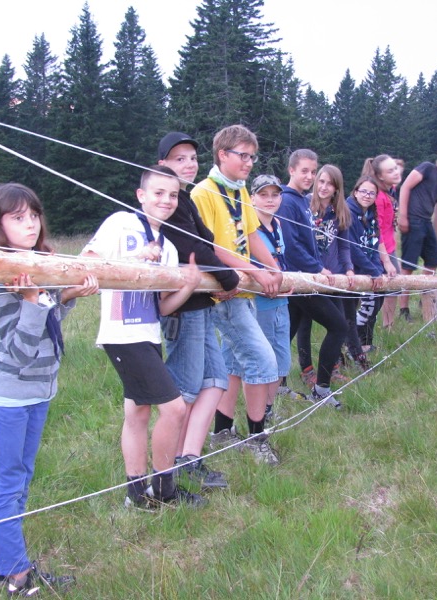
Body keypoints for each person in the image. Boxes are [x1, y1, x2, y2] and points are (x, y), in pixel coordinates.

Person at [0, 183, 98, 596]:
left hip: (39, 393)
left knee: (23, 479)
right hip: (9, 396)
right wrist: (32, 299)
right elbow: (18, 352)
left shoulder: (39, 266)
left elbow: (49, 323)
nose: (29, 224)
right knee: (8, 484)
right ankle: (16, 574)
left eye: (33, 215)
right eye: (17, 218)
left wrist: (68, 294)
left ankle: (8, 561)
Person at [82, 166, 205, 508]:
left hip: (149, 335)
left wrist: (188, 286)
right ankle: (164, 490)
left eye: (173, 195)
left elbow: (162, 307)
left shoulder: (169, 248)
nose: (166, 200)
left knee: (137, 413)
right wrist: (136, 257)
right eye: (158, 193)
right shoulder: (120, 223)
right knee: (175, 409)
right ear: (141, 195)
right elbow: (87, 262)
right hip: (122, 335)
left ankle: (136, 496)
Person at [190, 124, 283, 465]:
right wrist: (255, 272)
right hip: (223, 291)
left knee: (233, 362)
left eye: (252, 157)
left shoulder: (240, 190)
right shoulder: (203, 193)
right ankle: (258, 438)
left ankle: (222, 431)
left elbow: (252, 234)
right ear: (222, 154)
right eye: (242, 155)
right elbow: (209, 246)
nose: (249, 162)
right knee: (261, 359)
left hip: (243, 287)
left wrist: (273, 266)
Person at [156, 132, 240, 491]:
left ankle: (189, 458)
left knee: (216, 380)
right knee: (186, 387)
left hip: (200, 304)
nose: (189, 164)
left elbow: (206, 241)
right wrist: (229, 278)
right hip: (183, 308)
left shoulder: (184, 199)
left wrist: (226, 273)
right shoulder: (169, 204)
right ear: (162, 165)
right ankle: (169, 465)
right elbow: (193, 247)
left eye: (192, 157)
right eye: (179, 159)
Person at [277, 149, 348, 408]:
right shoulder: (287, 201)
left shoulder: (301, 201)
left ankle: (276, 385)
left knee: (287, 332)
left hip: (304, 277)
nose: (309, 176)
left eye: (313, 172)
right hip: (299, 278)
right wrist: (318, 268)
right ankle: (321, 390)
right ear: (291, 170)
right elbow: (291, 246)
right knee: (338, 327)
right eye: (304, 171)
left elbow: (308, 242)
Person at [298, 164, 369, 372]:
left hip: (334, 275)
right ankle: (307, 369)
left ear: (337, 188)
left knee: (340, 322)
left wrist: (348, 269)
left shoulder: (340, 211)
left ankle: (334, 365)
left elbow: (344, 246)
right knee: (304, 322)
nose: (324, 187)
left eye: (330, 184)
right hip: (310, 273)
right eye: (321, 181)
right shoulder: (305, 206)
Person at [397, 145, 437, 320]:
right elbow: (405, 187)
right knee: (408, 266)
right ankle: (403, 309)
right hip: (412, 220)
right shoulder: (427, 168)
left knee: (433, 261)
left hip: (426, 222)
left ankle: (425, 298)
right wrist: (403, 216)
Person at [248, 174, 291, 424]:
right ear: (252, 198)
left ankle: (268, 407)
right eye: (263, 195)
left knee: (282, 360)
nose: (270, 200)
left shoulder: (278, 225)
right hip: (259, 303)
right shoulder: (248, 228)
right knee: (264, 360)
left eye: (275, 195)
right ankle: (259, 413)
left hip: (282, 301)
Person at [346, 176, 396, 352]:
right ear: (355, 192)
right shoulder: (348, 212)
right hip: (351, 268)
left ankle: (364, 343)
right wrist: (372, 271)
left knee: (376, 300)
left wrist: (379, 268)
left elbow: (374, 243)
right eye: (364, 191)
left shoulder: (371, 214)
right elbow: (352, 248)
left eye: (371, 193)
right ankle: (353, 346)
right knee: (354, 309)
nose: (367, 196)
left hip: (369, 267)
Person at [361, 155, 403, 328]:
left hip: (389, 247)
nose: (396, 172)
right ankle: (366, 328)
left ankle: (388, 325)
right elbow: (377, 231)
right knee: (376, 291)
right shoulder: (378, 197)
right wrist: (386, 260)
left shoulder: (389, 190)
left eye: (396, 168)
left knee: (394, 288)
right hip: (379, 249)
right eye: (390, 170)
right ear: (380, 176)